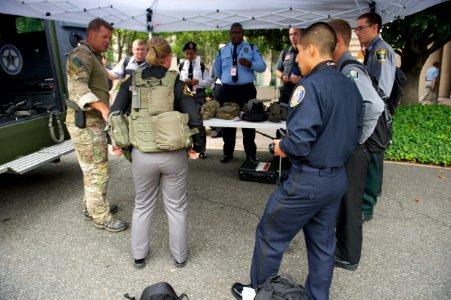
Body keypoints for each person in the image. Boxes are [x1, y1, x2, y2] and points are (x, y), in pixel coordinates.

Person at [231, 22, 363, 300]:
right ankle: (318, 296)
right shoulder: (350, 85)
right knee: (323, 245)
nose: (297, 59)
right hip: (336, 178)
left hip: (307, 181)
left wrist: (279, 146)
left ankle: (260, 293)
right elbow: (355, 132)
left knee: (270, 233)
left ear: (312, 49)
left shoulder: (310, 87)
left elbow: (300, 142)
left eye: (300, 53)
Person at [110, 36, 198, 269]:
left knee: (143, 204)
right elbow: (195, 116)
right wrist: (196, 146)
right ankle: (179, 257)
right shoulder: (177, 82)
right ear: (168, 57)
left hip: (143, 155)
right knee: (177, 206)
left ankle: (139, 257)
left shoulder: (131, 81)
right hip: (174, 155)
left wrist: (121, 142)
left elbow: (115, 113)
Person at [328, 19, 385, 271]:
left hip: (355, 148)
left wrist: (357, 138)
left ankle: (349, 255)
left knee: (351, 203)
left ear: (337, 41)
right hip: (350, 146)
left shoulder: (350, 69)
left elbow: (374, 104)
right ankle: (342, 248)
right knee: (344, 200)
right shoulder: (340, 67)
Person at [65, 18, 127, 232]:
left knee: (91, 169)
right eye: (105, 37)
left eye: (110, 37)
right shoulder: (80, 55)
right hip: (86, 121)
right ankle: (101, 216)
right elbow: (77, 87)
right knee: (96, 169)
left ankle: (92, 206)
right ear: (91, 35)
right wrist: (103, 108)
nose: (108, 41)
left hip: (92, 121)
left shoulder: (93, 56)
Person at [355, 12, 396, 222]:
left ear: (375, 27)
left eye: (361, 28)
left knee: (371, 155)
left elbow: (382, 88)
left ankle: (367, 207)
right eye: (356, 29)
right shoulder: (372, 50)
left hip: (377, 110)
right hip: (374, 108)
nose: (357, 32)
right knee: (372, 156)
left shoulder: (380, 51)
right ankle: (370, 197)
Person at [214, 23, 267, 163]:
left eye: (238, 32)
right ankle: (228, 153)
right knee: (228, 122)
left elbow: (262, 67)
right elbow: (217, 70)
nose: (236, 35)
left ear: (242, 33)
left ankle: (250, 154)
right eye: (233, 33)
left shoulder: (251, 48)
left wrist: (250, 64)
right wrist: (227, 80)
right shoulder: (223, 51)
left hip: (246, 90)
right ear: (229, 34)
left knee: (249, 122)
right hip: (228, 91)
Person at [178, 41, 212, 159]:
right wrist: (184, 83)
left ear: (195, 52)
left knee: (198, 120)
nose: (189, 56)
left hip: (198, 95)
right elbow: (177, 82)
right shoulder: (181, 66)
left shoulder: (201, 66)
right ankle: (188, 147)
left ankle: (201, 148)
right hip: (186, 95)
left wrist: (198, 82)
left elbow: (209, 83)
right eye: (187, 53)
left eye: (191, 53)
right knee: (185, 121)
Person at [276, 28, 302, 104]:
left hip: (301, 89)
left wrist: (300, 78)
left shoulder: (307, 52)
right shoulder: (284, 52)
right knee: (282, 113)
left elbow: (314, 71)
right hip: (286, 90)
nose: (292, 36)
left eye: (295, 34)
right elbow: (277, 70)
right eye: (290, 34)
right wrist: (282, 76)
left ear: (301, 35)